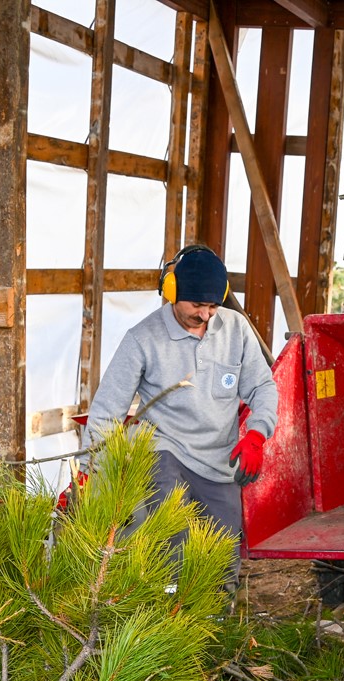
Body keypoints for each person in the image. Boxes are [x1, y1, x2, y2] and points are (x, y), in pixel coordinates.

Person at [82, 244, 277, 583]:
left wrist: (257, 435)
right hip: (165, 451)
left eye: (213, 306)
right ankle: (167, 606)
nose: (205, 315)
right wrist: (89, 471)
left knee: (222, 559)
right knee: (174, 548)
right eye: (197, 305)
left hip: (218, 461)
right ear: (171, 292)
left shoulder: (237, 330)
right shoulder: (142, 339)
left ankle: (219, 613)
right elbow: (107, 410)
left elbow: (263, 387)